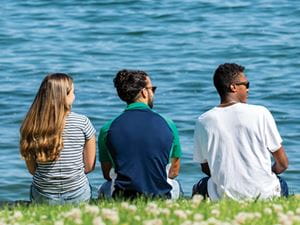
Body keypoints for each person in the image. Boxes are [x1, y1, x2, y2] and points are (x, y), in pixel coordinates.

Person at [193, 63, 289, 201]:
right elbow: (283, 163)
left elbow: (206, 168)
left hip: (224, 196)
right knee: (281, 183)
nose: (248, 89)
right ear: (233, 87)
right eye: (246, 84)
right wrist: (264, 174)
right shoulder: (260, 113)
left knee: (201, 185)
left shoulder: (203, 120)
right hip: (264, 194)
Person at [98, 69, 182, 199]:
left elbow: (107, 174)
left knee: (104, 186)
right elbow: (174, 171)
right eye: (152, 89)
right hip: (161, 196)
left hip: (122, 197)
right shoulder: (168, 124)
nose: (153, 93)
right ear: (143, 92)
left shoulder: (107, 128)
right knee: (175, 184)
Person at [20, 73, 96, 204]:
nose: (74, 96)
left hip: (43, 193)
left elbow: (32, 170)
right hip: (77, 191)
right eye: (72, 92)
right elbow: (89, 166)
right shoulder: (82, 122)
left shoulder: (31, 124)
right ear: (64, 96)